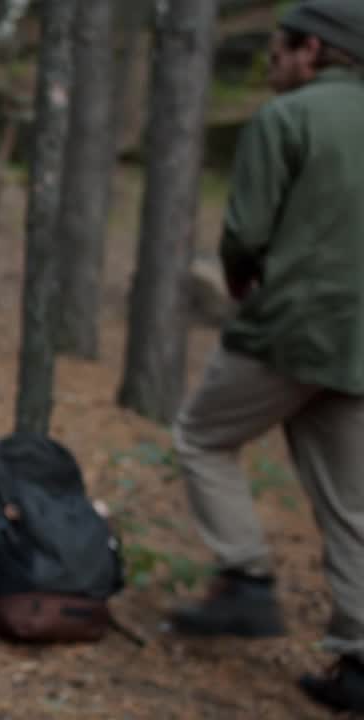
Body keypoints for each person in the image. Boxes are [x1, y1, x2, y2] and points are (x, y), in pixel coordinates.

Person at [169, 0, 364, 712]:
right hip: (360, 347)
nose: (272, 60)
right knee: (352, 505)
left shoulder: (287, 119)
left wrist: (244, 280)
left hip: (292, 329)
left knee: (200, 437)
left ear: (312, 48)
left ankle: (246, 580)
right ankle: (359, 663)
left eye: (279, 49)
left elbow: (245, 233)